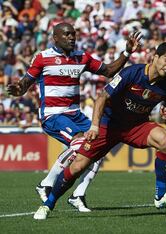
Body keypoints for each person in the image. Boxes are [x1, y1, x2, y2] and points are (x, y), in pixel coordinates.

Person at [33, 42, 166, 220]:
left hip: (137, 126)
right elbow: (102, 97)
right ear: (156, 57)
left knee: (165, 140)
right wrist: (95, 126)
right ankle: (48, 204)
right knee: (77, 166)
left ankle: (161, 195)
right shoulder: (132, 73)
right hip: (109, 125)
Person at [7, 22, 142, 212]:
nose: (72, 37)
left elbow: (109, 71)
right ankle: (46, 184)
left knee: (99, 146)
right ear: (55, 38)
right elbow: (25, 83)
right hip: (53, 115)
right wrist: (17, 89)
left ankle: (78, 195)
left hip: (75, 114)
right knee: (79, 144)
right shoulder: (43, 58)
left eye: (74, 34)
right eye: (67, 34)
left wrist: (127, 53)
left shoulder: (82, 57)